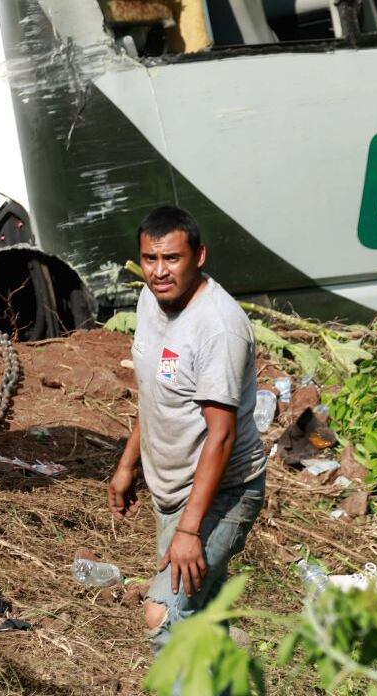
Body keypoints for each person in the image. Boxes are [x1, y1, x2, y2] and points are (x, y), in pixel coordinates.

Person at [109, 205, 268, 650]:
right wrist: (128, 465)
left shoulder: (218, 327)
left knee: (164, 616)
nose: (159, 272)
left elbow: (221, 434)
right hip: (172, 487)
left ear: (199, 256)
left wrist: (188, 529)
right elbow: (156, 393)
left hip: (222, 491)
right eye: (149, 259)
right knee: (203, 614)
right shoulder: (150, 299)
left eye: (172, 259)